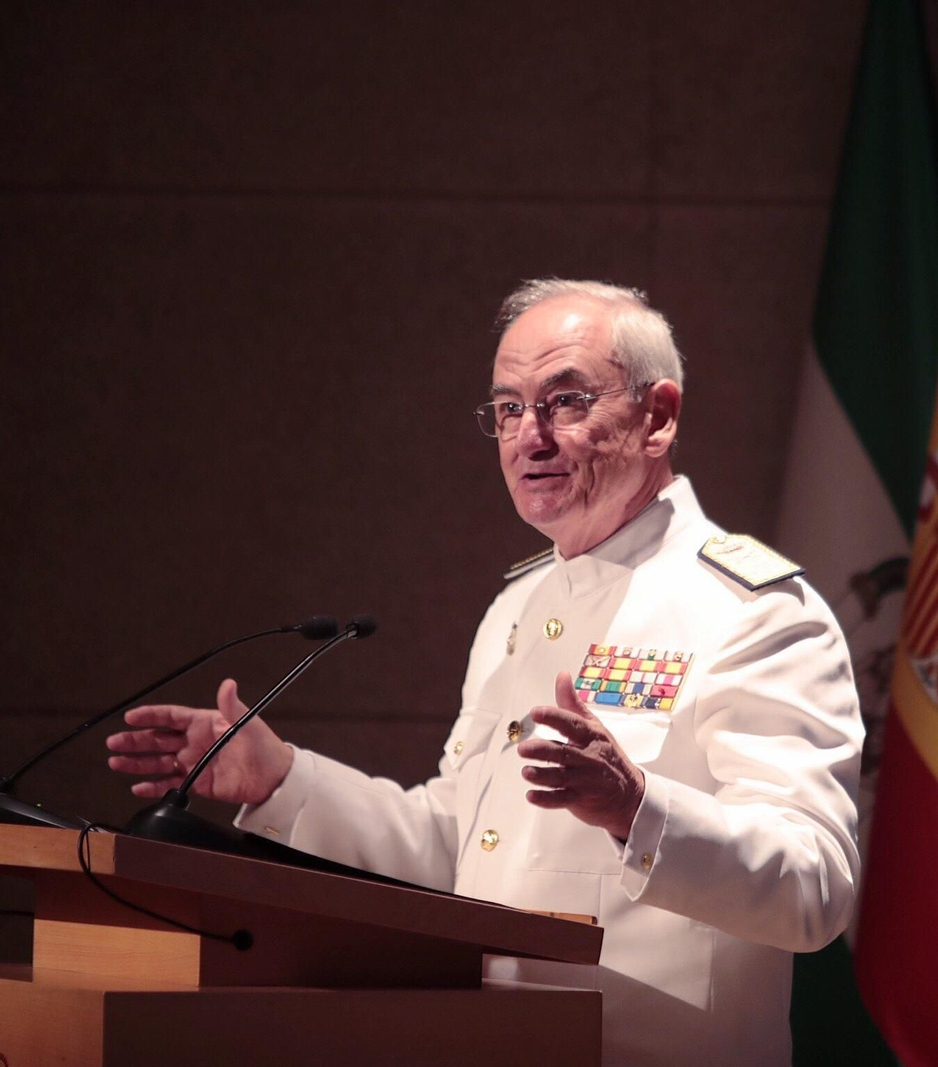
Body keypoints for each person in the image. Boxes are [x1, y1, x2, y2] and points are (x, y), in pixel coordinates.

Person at [105, 279, 864, 1066]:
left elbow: (816, 886)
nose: (527, 437)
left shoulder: (755, 611)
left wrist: (639, 808)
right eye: (507, 408)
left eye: (564, 401)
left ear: (658, 416)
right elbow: (463, 845)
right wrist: (283, 781)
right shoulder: (516, 606)